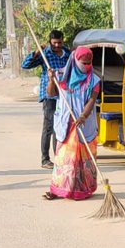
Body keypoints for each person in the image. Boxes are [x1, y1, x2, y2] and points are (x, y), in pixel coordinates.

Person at [43, 46, 101, 201]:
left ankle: (82, 190)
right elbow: (51, 93)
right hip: (66, 124)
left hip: (83, 125)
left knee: (82, 161)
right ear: (75, 60)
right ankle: (57, 190)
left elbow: (91, 100)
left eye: (89, 63)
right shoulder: (61, 75)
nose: (87, 66)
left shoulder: (94, 80)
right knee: (64, 159)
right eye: (84, 62)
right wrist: (50, 80)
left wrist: (83, 116)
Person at [22, 29, 71, 169]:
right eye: (54, 43)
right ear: (50, 41)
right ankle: (45, 159)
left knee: (60, 127)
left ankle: (59, 157)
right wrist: (37, 52)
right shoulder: (45, 54)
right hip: (49, 94)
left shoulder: (67, 54)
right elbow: (25, 65)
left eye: (59, 42)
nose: (57, 45)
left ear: (62, 40)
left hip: (64, 94)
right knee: (48, 126)